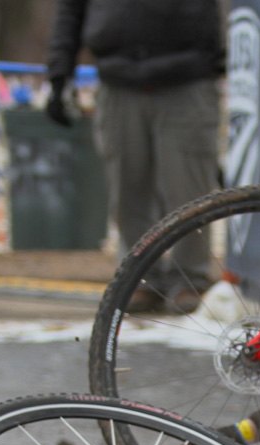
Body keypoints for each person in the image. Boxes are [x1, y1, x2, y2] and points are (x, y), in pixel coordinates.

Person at [45, 0, 225, 314]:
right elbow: (70, 10)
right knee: (127, 189)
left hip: (187, 76)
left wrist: (219, 58)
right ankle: (141, 279)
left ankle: (191, 280)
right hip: (117, 78)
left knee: (188, 186)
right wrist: (60, 73)